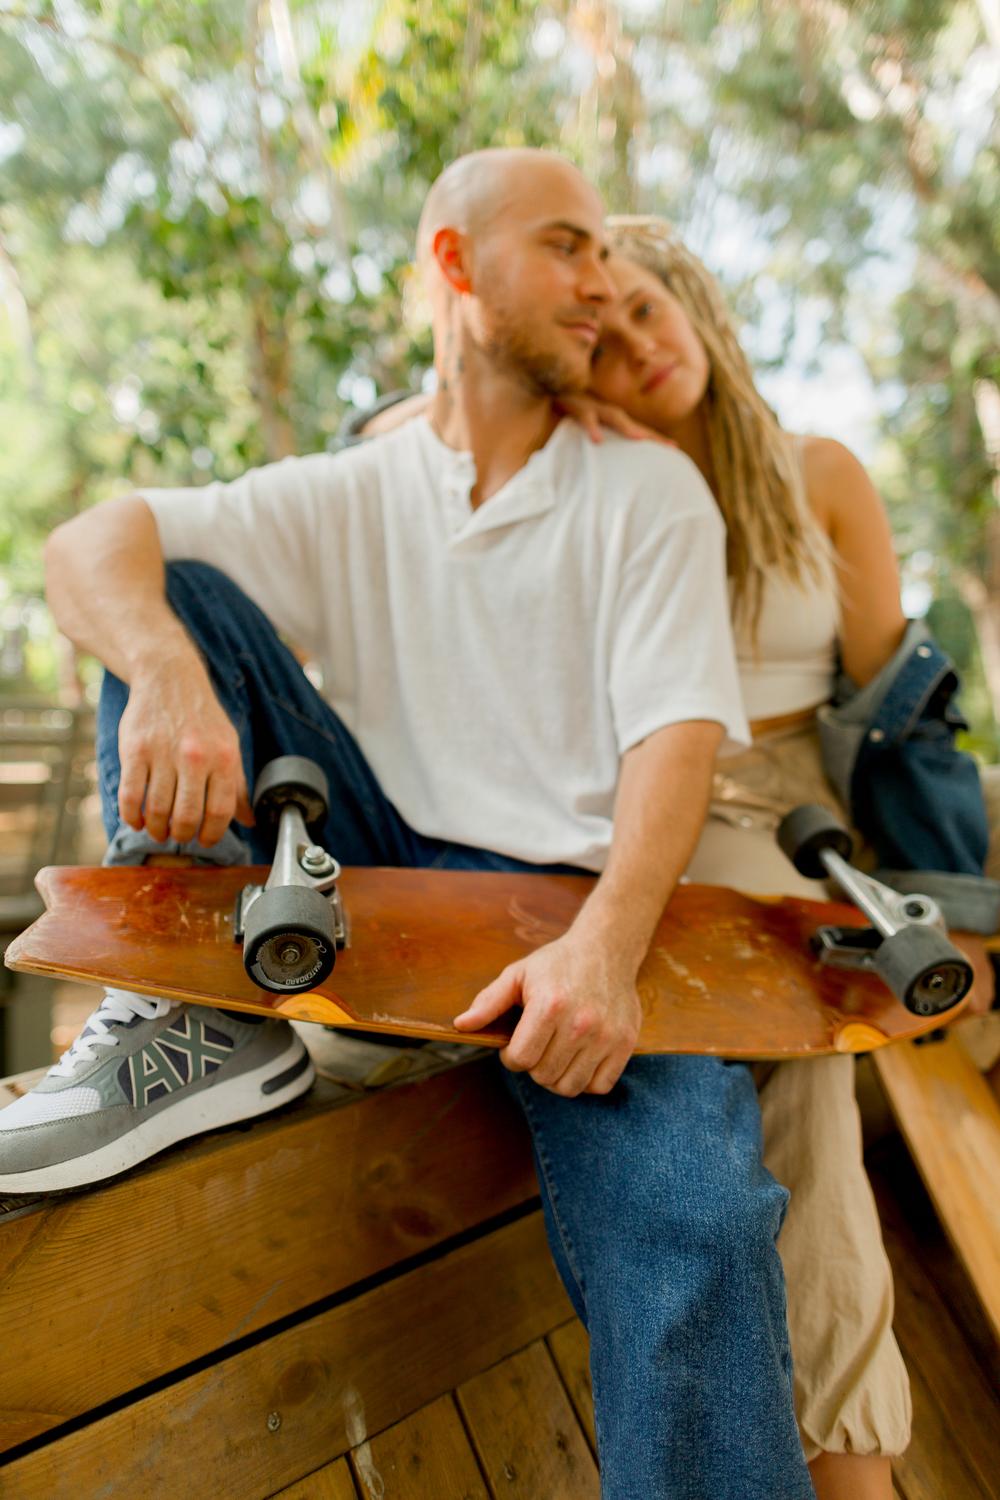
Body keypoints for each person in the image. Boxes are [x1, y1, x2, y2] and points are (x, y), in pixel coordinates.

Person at [0, 151, 816, 1499]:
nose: (604, 286)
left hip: (580, 907)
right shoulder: (354, 489)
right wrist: (162, 671)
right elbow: (93, 540)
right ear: (454, 265)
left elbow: (674, 736)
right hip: (383, 870)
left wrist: (606, 953)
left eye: (607, 256)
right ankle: (202, 1024)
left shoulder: (647, 490)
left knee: (700, 1217)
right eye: (567, 247)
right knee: (177, 590)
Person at [354, 215, 997, 1500]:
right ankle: (851, 1471)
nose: (639, 346)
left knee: (836, 1021)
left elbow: (900, 724)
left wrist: (964, 906)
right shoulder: (581, 484)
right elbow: (388, 444)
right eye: (601, 338)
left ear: (694, 302)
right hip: (661, 838)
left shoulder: (816, 474)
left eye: (651, 307)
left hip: (814, 839)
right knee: (798, 1088)